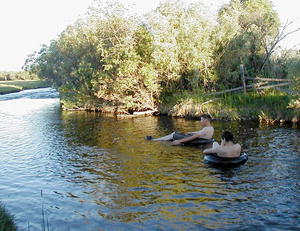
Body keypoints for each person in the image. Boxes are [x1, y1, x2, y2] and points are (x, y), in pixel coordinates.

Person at [146, 114, 214, 146]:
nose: (200, 121)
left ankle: (154, 140)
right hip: (198, 139)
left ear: (206, 121)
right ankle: (158, 139)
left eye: (201, 120)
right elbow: (198, 133)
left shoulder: (206, 129)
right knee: (176, 133)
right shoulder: (210, 128)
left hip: (195, 140)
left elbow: (195, 136)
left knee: (174, 134)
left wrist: (179, 141)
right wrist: (188, 132)